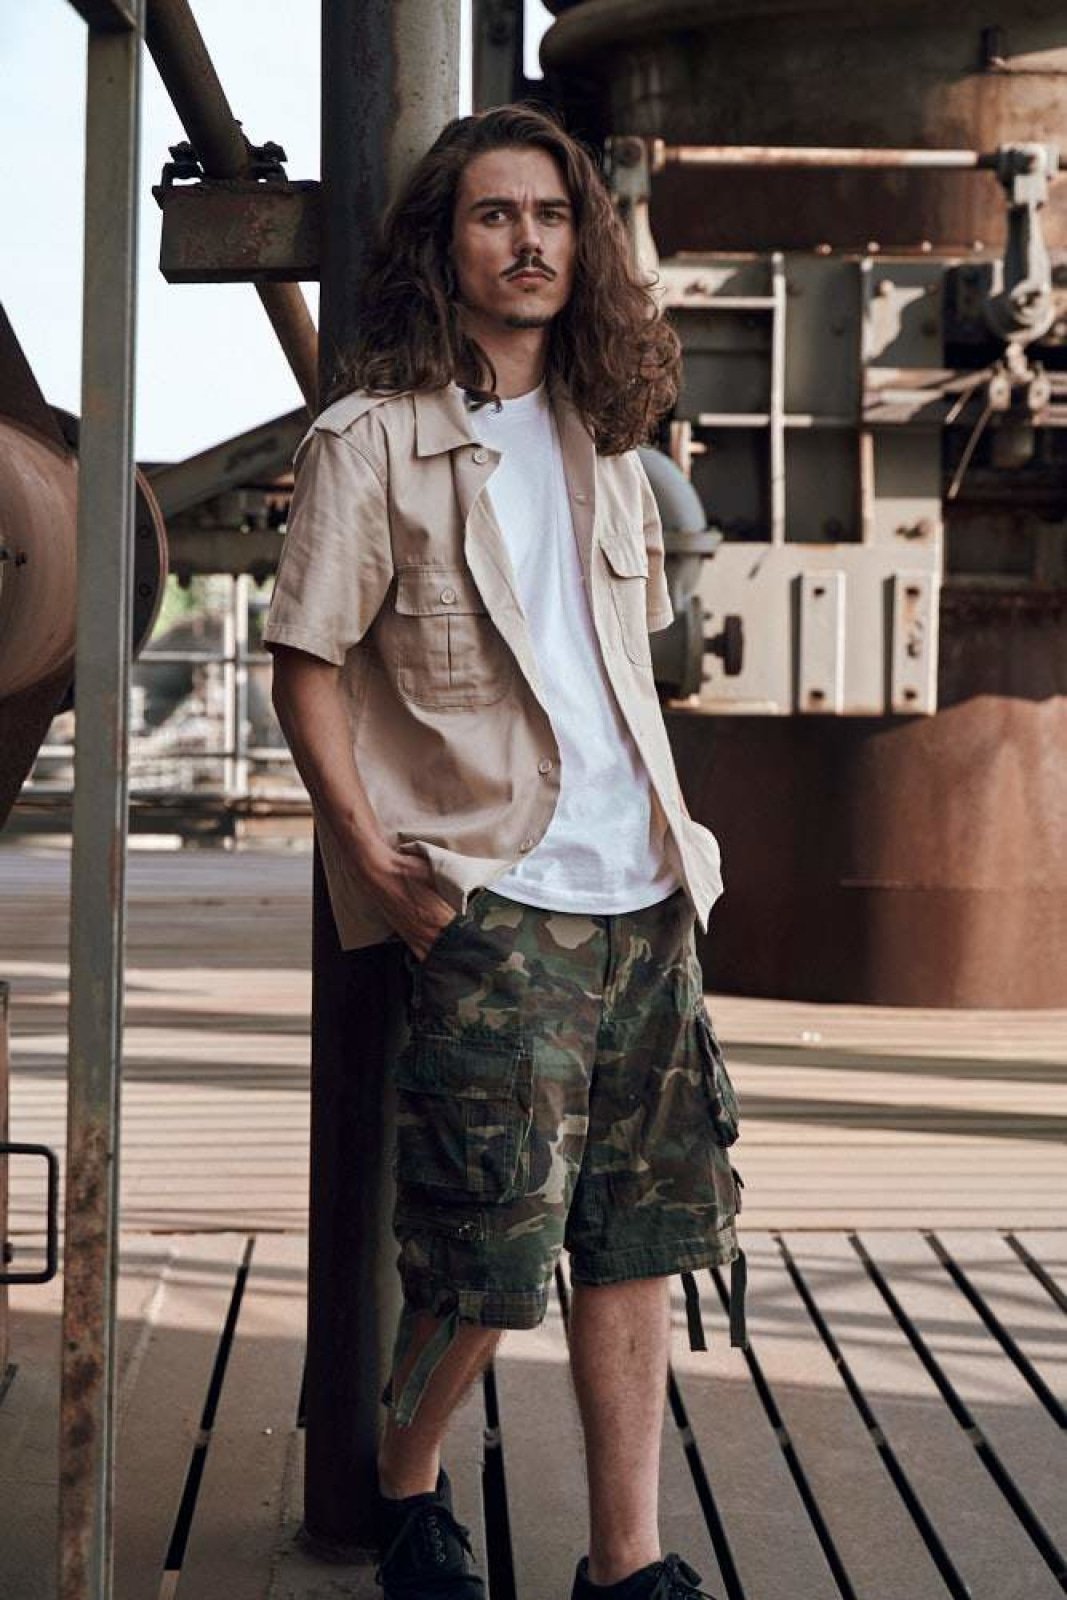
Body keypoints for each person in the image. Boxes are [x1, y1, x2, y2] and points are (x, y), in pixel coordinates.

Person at [265, 103, 746, 1600]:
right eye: (495, 215)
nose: (528, 240)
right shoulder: (372, 442)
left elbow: (625, 674)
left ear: (579, 244)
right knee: (484, 1259)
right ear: (446, 244)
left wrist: (675, 848)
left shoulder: (609, 438)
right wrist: (372, 858)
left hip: (647, 898)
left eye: (552, 216)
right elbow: (306, 664)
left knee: (637, 1239)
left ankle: (628, 1559)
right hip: (496, 903)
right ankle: (406, 1495)